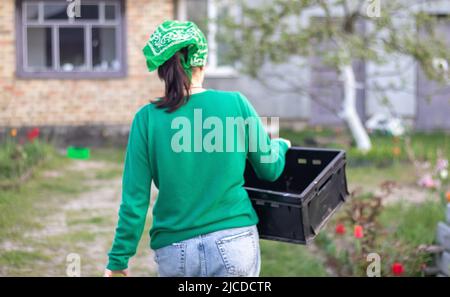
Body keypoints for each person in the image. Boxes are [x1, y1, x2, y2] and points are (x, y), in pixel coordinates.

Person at [104, 20, 290, 277]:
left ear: (162, 69)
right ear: (202, 62)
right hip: (234, 240)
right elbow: (270, 169)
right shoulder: (235, 103)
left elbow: (135, 200)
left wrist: (119, 260)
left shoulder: (146, 118)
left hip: (175, 249)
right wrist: (279, 145)